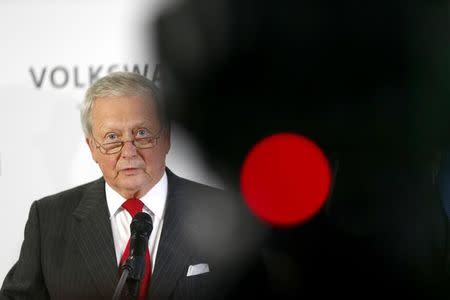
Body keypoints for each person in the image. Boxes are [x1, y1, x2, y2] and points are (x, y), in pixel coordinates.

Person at [0, 72, 269, 300]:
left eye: (141, 133)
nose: (128, 152)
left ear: (166, 139)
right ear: (92, 148)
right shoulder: (48, 219)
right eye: (112, 137)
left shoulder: (226, 215)